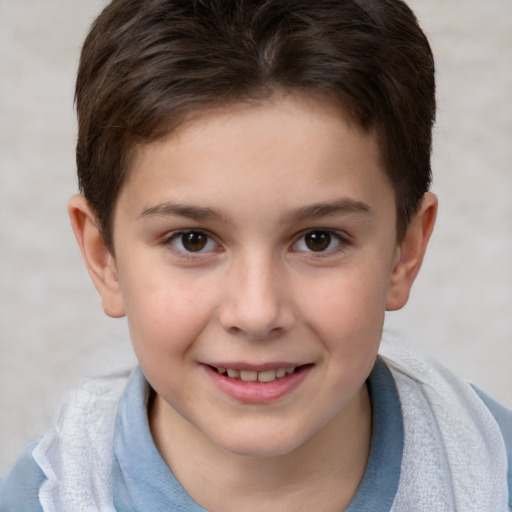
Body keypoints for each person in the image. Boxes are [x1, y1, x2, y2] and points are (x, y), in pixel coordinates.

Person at [1, 0, 510, 510]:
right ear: (103, 257)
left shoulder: (492, 474)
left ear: (405, 252)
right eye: (193, 240)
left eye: (318, 239)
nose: (257, 312)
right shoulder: (44, 497)